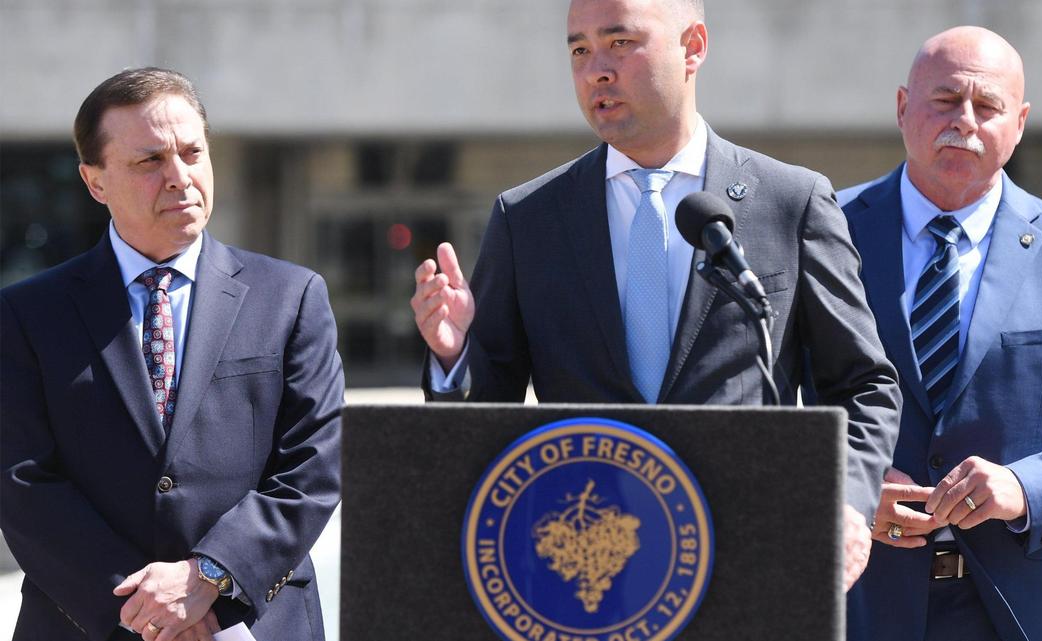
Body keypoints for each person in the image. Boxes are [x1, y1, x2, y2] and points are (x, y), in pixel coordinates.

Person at [410, 0, 901, 591]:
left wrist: (846, 503)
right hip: (589, 567)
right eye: (579, 50)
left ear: (692, 47)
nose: (596, 70)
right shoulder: (528, 219)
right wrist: (453, 356)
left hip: (748, 558)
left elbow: (864, 385)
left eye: (620, 43)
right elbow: (487, 417)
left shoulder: (789, 201)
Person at [0, 68, 344, 641]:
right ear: (95, 182)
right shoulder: (26, 315)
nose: (180, 178)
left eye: (192, 153)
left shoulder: (292, 296)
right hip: (85, 621)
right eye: (150, 161)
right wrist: (144, 608)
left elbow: (312, 466)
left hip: (252, 618)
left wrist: (208, 576)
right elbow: (21, 479)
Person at [842, 26, 1042, 641]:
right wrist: (841, 489)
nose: (965, 122)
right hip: (858, 601)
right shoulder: (824, 232)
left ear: (1021, 121)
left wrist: (1026, 486)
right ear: (903, 108)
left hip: (1021, 610)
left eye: (988, 106)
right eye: (946, 100)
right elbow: (760, 403)